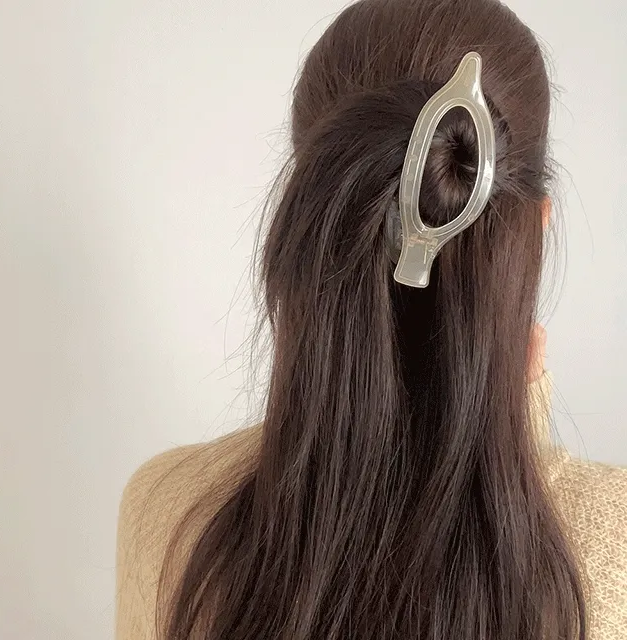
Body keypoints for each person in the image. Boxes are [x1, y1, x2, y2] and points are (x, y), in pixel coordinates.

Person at [115, 0, 627, 638]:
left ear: (309, 214)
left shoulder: (166, 513)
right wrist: (518, 402)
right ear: (538, 228)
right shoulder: (615, 541)